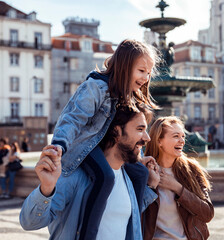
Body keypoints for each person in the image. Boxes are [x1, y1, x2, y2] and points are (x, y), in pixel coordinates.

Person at [50, 39, 161, 236]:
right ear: (125, 66)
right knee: (105, 177)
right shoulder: (96, 87)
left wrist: (139, 156)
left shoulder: (127, 94)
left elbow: (130, 133)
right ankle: (88, 233)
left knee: (141, 174)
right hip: (84, 147)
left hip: (107, 148)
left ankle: (132, 229)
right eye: (141, 71)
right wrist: (60, 144)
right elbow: (73, 119)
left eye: (148, 73)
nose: (146, 77)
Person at [20, 104, 158, 240]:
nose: (147, 138)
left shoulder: (128, 177)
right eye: (140, 129)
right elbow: (30, 222)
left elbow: (123, 216)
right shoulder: (75, 176)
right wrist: (46, 188)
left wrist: (150, 187)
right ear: (116, 132)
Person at [143, 116, 214, 240]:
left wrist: (177, 188)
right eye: (176, 136)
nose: (182, 141)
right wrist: (150, 185)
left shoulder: (192, 170)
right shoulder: (145, 171)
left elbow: (207, 213)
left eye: (183, 136)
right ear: (159, 141)